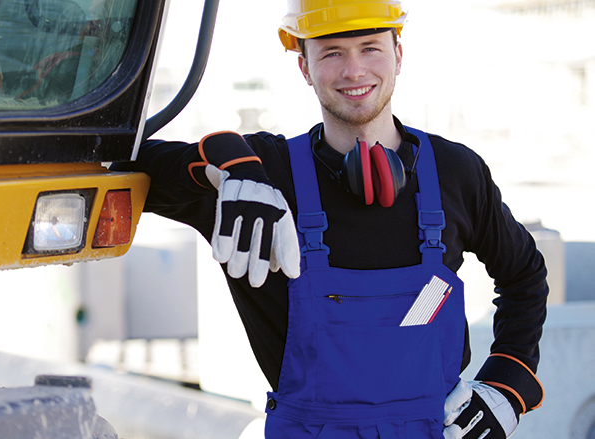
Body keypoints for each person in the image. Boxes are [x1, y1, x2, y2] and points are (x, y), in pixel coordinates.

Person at [113, 0, 547, 437]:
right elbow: (114, 160)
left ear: (398, 54)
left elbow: (524, 275)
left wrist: (506, 385)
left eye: (370, 47)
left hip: (438, 429)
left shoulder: (456, 172)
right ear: (304, 66)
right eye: (332, 52)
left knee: (429, 298)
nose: (354, 71)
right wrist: (229, 163)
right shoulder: (265, 177)